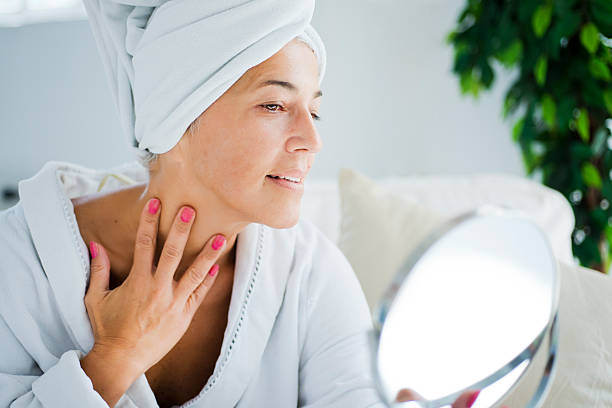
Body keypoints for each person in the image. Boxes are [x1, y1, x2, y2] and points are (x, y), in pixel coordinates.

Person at [0, 1, 480, 407]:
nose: (312, 140)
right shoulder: (17, 264)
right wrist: (113, 359)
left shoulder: (309, 274)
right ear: (178, 113)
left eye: (314, 110)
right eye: (275, 106)